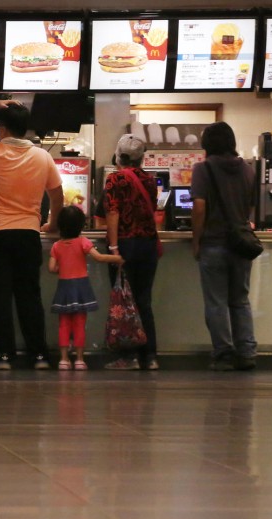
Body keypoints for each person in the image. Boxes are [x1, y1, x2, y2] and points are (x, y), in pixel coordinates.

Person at [0, 100, 63, 370]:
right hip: (27, 233)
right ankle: (39, 355)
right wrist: (52, 223)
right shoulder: (43, 157)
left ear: (3, 129)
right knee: (29, 295)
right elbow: (56, 194)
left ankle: (3, 356)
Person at [190, 121, 258, 371]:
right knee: (240, 300)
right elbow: (251, 207)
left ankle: (223, 355)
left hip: (213, 244)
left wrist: (196, 241)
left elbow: (199, 207)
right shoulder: (249, 170)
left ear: (207, 144)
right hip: (241, 245)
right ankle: (247, 352)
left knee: (216, 302)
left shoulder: (202, 169)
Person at [103, 135, 161, 370]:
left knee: (124, 302)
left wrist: (114, 246)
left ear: (119, 154)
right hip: (147, 245)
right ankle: (150, 357)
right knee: (144, 301)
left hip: (125, 245)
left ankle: (128, 357)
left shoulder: (114, 178)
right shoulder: (150, 179)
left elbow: (113, 213)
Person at [48, 206, 123, 370]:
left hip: (64, 288)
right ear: (81, 225)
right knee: (80, 324)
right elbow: (99, 257)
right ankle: (80, 359)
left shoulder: (56, 246)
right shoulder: (83, 242)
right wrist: (118, 258)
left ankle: (63, 359)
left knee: (64, 325)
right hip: (81, 287)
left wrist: (65, 268)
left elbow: (52, 268)